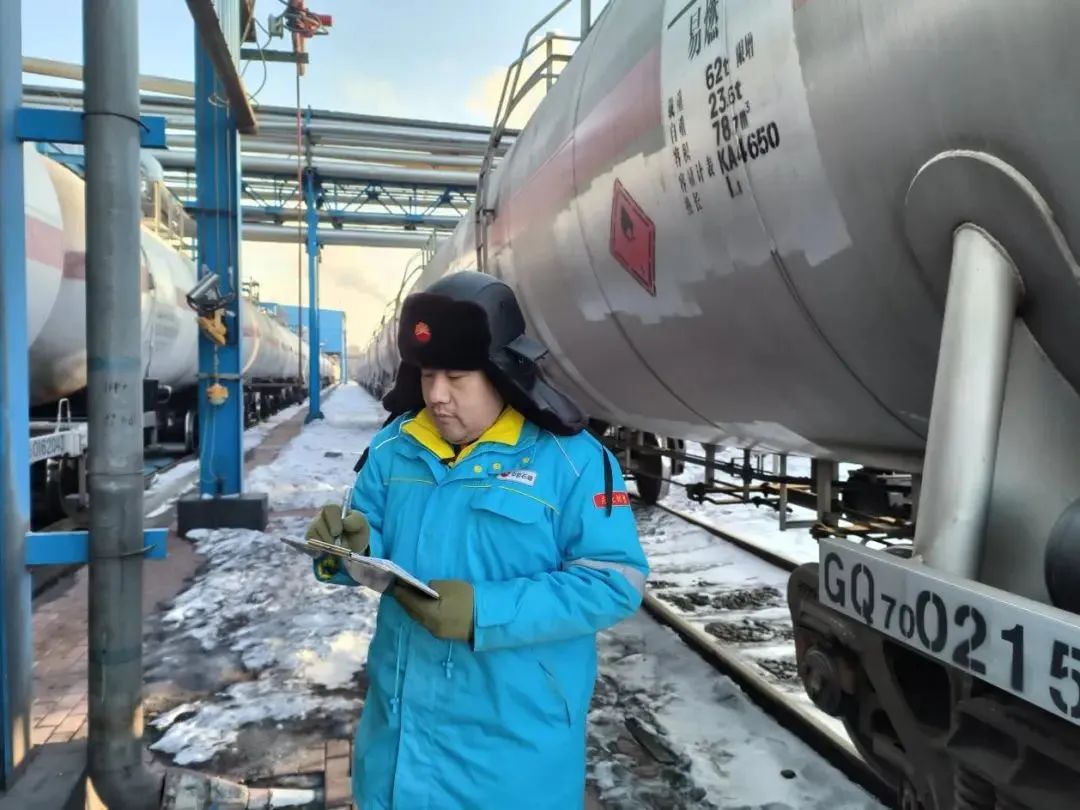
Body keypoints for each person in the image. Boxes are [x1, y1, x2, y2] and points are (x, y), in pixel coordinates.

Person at [304, 271, 649, 810]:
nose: (437, 395)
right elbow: (369, 538)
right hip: (396, 751)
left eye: (457, 376)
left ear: (502, 373)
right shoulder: (395, 447)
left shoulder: (573, 462)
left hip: (511, 765)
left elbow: (614, 582)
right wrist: (349, 548)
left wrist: (485, 611)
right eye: (427, 374)